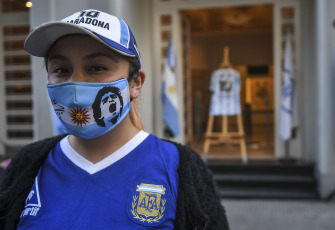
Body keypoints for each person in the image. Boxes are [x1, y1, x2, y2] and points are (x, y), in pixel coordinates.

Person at [0, 9, 229, 230]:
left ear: (135, 83)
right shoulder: (27, 165)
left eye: (97, 67)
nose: (76, 84)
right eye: (61, 69)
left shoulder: (179, 167)